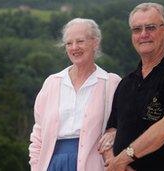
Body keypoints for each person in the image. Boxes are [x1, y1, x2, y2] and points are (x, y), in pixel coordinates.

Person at [98, 2, 164, 171]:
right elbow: (111, 132)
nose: (143, 34)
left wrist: (123, 159)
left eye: (151, 27)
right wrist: (115, 163)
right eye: (137, 29)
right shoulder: (126, 83)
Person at [28, 18, 121, 171]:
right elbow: (38, 133)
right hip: (52, 164)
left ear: (95, 43)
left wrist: (114, 133)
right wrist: (37, 167)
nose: (74, 47)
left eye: (80, 41)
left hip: (94, 164)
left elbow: (124, 123)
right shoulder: (52, 83)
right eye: (69, 43)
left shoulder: (111, 83)